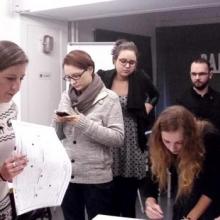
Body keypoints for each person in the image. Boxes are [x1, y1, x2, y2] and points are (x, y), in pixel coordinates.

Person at [53, 50, 124, 220]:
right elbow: (58, 137)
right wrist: (57, 121)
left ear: (90, 69)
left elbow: (118, 138)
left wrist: (82, 123)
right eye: (68, 78)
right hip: (68, 176)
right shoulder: (66, 96)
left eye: (76, 76)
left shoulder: (109, 98)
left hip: (96, 178)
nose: (72, 82)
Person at [97, 39, 159, 218]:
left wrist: (148, 106)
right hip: (109, 138)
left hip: (132, 140)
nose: (127, 65)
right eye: (123, 61)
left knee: (127, 197)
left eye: (131, 62)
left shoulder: (140, 77)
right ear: (114, 60)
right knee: (109, 194)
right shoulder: (103, 77)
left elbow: (155, 95)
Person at [145, 105, 220, 220]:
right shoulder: (158, 143)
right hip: (183, 198)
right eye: (167, 141)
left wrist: (191, 217)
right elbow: (151, 178)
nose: (172, 148)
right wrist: (150, 203)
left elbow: (213, 186)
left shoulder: (209, 138)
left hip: (209, 203)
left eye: (179, 142)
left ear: (190, 136)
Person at [0, 40, 29, 219]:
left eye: (21, 78)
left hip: (3, 203)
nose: (17, 87)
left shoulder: (11, 108)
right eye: (11, 78)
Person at [176, 57, 220, 131]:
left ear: (210, 74)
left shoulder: (218, 99)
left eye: (201, 74)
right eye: (194, 74)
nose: (197, 78)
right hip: (191, 142)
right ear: (190, 74)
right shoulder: (181, 101)